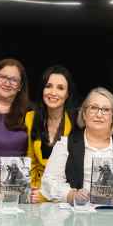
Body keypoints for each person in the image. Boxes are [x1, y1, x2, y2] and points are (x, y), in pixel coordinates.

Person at [41, 87, 113, 206]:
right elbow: (48, 182)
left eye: (105, 110)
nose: (99, 114)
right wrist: (70, 195)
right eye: (94, 108)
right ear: (84, 114)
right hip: (77, 217)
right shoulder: (65, 145)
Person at [25, 65, 77, 201]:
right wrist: (33, 189)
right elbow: (31, 162)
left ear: (67, 94)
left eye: (60, 88)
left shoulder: (77, 121)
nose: (53, 92)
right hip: (36, 191)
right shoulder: (30, 118)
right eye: (48, 86)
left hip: (65, 193)